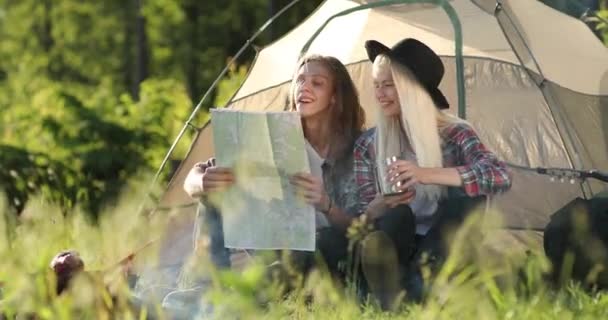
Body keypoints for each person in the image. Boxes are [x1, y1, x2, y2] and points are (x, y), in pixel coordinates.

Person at [353, 38, 512, 309]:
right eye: (377, 85)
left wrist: (427, 174)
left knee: (467, 199)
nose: (380, 94)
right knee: (395, 216)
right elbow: (359, 218)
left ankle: (400, 291)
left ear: (413, 90)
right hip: (398, 242)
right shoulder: (369, 145)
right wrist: (379, 205)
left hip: (442, 243)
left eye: (389, 84)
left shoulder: (456, 133)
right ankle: (413, 289)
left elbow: (498, 176)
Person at [183, 54, 366, 279]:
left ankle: (253, 284)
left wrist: (326, 205)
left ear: (335, 97)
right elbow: (193, 177)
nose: (304, 87)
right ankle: (207, 286)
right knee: (211, 194)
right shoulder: (276, 136)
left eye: (317, 83)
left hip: (320, 253)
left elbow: (363, 229)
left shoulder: (356, 149)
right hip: (269, 242)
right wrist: (202, 182)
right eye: (299, 80)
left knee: (323, 243)